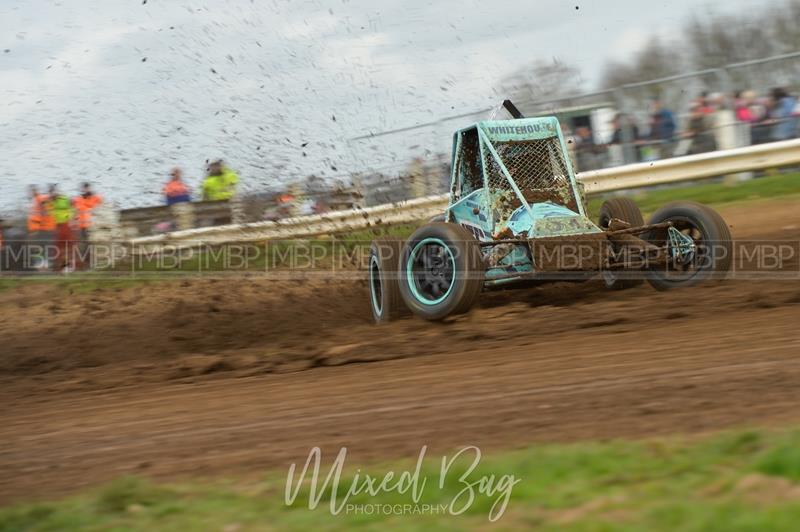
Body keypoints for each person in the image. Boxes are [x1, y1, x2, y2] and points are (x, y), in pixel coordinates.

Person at [27, 185, 55, 270]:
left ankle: (44, 264)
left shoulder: (40, 198)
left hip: (41, 228)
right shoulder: (35, 200)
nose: (32, 192)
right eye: (31, 191)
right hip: (35, 228)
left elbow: (44, 207)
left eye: (33, 190)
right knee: (39, 247)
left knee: (42, 246)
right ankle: (41, 264)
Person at [48, 185, 75, 272]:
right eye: (51, 192)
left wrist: (69, 216)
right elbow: (48, 213)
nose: (52, 194)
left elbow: (73, 208)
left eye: (54, 192)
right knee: (58, 248)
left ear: (57, 192)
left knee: (67, 246)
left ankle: (68, 266)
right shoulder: (49, 202)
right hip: (55, 227)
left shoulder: (65, 199)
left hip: (65, 225)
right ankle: (60, 267)